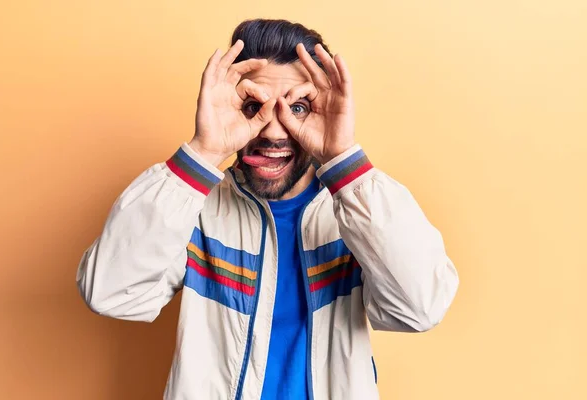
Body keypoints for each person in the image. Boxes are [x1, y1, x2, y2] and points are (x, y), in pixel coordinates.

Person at [77, 18, 459, 400]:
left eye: (298, 107)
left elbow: (419, 309)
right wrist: (204, 151)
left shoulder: (359, 212)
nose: (274, 131)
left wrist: (343, 159)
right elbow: (111, 293)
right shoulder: (194, 208)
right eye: (251, 106)